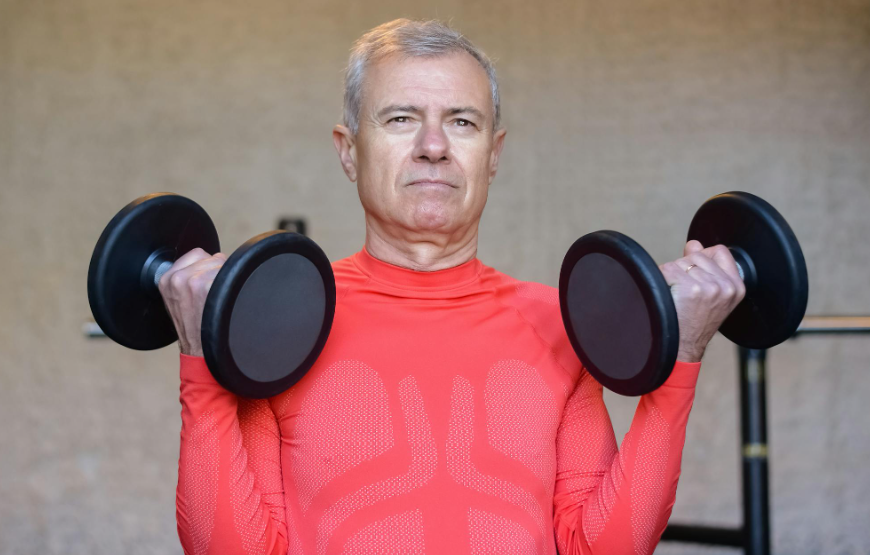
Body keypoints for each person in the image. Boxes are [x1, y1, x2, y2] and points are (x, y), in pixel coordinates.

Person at [161, 19, 745, 555]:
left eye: (462, 122)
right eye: (401, 118)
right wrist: (201, 362)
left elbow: (603, 549)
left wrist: (680, 364)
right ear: (347, 150)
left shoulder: (555, 325)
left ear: (493, 154)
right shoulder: (283, 322)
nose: (434, 146)